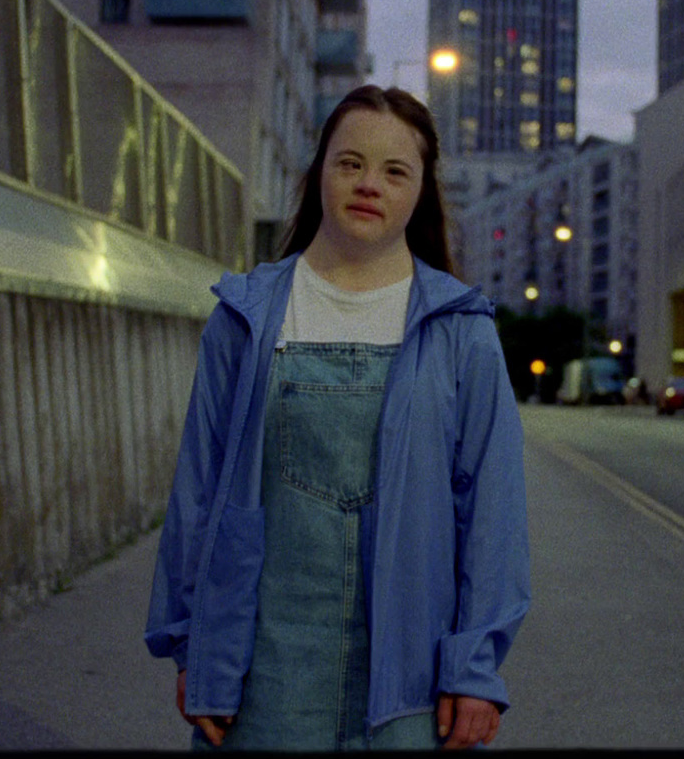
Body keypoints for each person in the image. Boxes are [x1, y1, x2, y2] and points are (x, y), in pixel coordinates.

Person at [144, 85, 530, 751]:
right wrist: (194, 646)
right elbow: (198, 492)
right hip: (261, 678)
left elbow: (493, 512)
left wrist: (474, 667)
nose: (368, 184)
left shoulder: (461, 329)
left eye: (394, 170)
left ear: (420, 191)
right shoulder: (245, 316)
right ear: (319, 170)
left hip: (411, 686)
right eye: (349, 162)